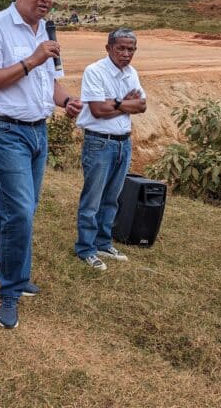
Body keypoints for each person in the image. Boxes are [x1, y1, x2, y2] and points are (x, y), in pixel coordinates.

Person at [0, 0, 82, 329]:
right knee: (19, 210)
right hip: (4, 131)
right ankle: (10, 290)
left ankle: (0, 271)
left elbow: (52, 83)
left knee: (21, 209)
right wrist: (32, 59)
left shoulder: (47, 31)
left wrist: (67, 102)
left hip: (38, 132)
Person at [74, 28, 146, 270]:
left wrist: (114, 103)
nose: (126, 54)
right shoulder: (95, 71)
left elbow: (142, 105)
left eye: (131, 49)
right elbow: (97, 110)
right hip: (99, 141)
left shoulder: (131, 73)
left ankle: (103, 242)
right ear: (108, 48)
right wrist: (125, 104)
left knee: (112, 198)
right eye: (121, 48)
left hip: (122, 142)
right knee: (92, 198)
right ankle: (86, 247)